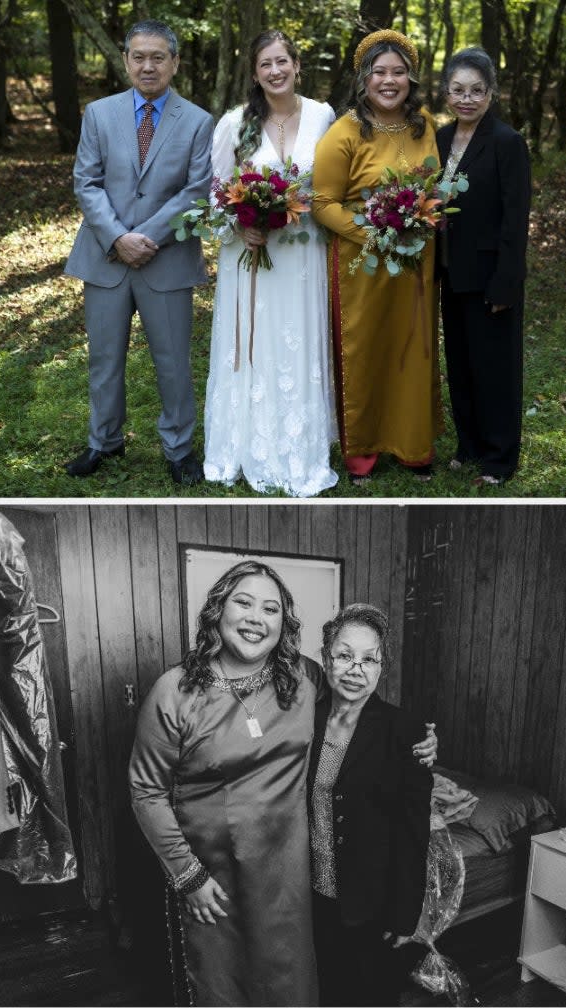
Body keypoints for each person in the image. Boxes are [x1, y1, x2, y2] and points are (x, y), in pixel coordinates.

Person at [129, 560, 437, 1006]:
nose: (256, 618)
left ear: (283, 623)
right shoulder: (173, 691)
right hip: (212, 874)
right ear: (217, 610)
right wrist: (187, 876)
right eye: (243, 602)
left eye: (270, 608)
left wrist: (421, 740)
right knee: (221, 983)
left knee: (289, 982)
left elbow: (358, 703)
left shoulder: (302, 676)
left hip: (288, 878)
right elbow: (145, 791)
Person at [64, 20, 213, 487]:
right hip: (106, 256)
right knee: (104, 359)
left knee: (172, 361)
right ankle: (104, 441)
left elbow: (196, 191)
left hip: (165, 258)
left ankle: (178, 448)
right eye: (138, 56)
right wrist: (117, 238)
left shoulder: (198, 120)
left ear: (174, 62)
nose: (148, 65)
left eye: (158, 57)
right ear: (126, 60)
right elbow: (85, 182)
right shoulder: (99, 113)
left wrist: (144, 238)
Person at [203, 31, 338, 497]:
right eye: (266, 65)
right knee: (256, 348)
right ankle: (245, 444)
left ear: (297, 65)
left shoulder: (323, 116)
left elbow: (332, 186)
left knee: (299, 344)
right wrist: (241, 226)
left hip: (303, 253)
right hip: (252, 253)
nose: (275, 71)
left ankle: (300, 446)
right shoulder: (234, 124)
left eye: (282, 61)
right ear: (255, 73)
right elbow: (216, 192)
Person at [312, 30, 443, 486]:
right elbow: (322, 202)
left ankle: (413, 447)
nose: (390, 81)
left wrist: (422, 217)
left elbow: (436, 188)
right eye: (380, 72)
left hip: (414, 263)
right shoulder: (344, 132)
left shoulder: (424, 124)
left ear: (411, 77)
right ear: (364, 78)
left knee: (413, 349)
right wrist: (372, 232)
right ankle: (362, 452)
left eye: (399, 72)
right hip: (361, 264)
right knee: (365, 350)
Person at [308, 604, 432, 1006]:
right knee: (326, 989)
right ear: (327, 658)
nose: (355, 669)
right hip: (311, 892)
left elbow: (414, 830)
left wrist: (404, 914)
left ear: (383, 667)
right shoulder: (305, 719)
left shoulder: (405, 730)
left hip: (370, 901)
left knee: (370, 994)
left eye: (369, 659)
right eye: (344, 655)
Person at [436, 47, 531, 485]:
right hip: (451, 272)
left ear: (491, 93)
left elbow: (515, 220)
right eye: (458, 90)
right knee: (461, 363)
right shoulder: (438, 140)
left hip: (492, 276)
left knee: (496, 368)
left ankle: (499, 458)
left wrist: (506, 283)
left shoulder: (507, 143)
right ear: (446, 93)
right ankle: (469, 444)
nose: (467, 98)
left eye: (477, 90)